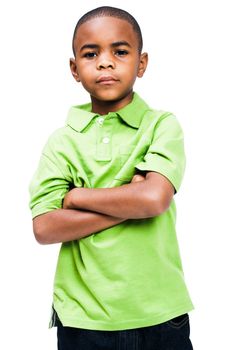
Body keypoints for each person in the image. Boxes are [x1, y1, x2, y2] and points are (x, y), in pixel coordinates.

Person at [29, 6, 194, 350]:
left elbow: (154, 199)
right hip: (82, 318)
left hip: (160, 314)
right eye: (91, 54)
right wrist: (129, 201)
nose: (105, 62)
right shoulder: (62, 141)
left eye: (120, 51)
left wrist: (76, 198)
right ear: (75, 68)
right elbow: (45, 227)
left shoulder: (160, 125)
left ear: (141, 63)